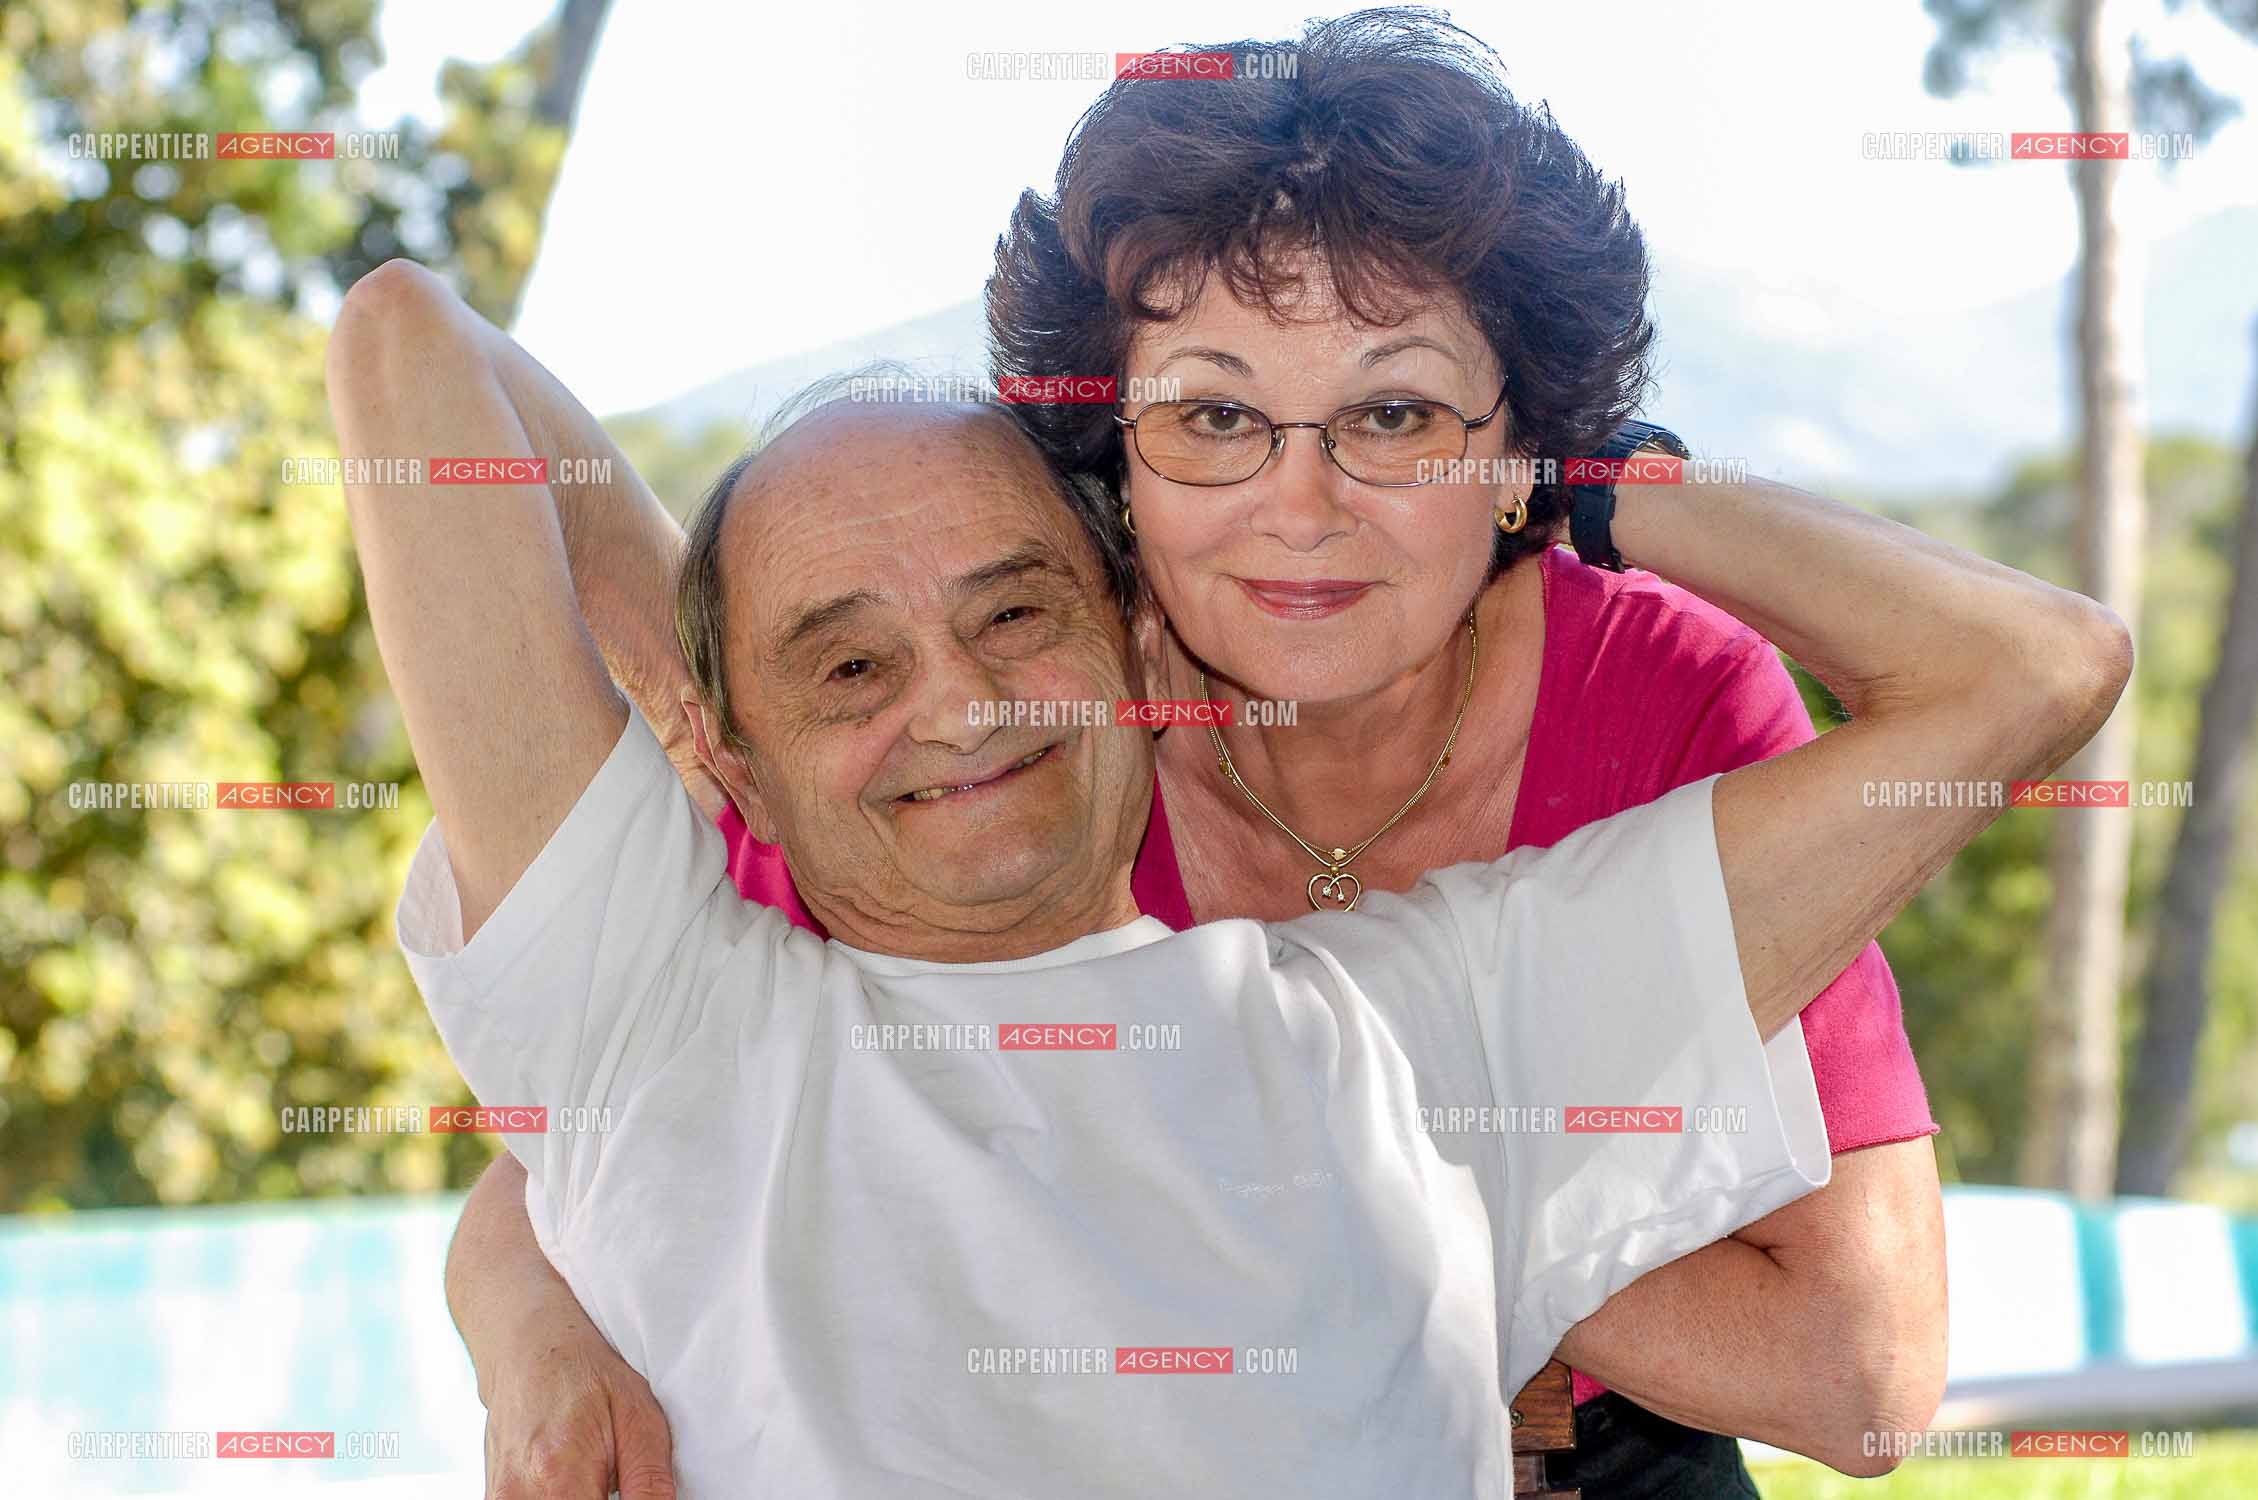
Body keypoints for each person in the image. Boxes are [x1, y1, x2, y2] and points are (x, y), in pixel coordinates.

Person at [330, 256, 2128, 1498]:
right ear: (731, 758)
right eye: (853, 666)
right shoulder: (666, 1014)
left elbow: (2027, 674)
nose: (956, 703)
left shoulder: (1436, 1015)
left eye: (1011, 615)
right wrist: (725, 687)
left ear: (1129, 628)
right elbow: (412, 345)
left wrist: (1560, 473)